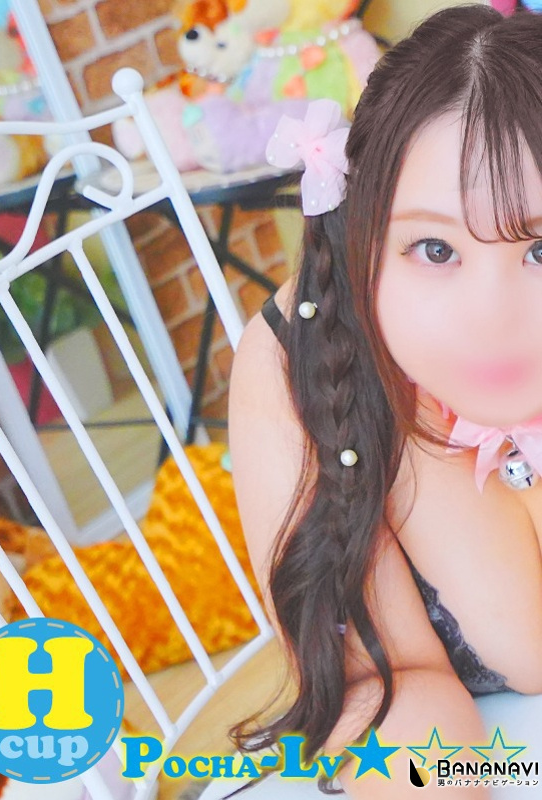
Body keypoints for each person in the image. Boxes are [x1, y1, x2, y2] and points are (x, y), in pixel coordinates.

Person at [216, 3, 542, 798]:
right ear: (363, 234)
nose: (490, 318)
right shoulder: (305, 359)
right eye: (434, 248)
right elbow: (386, 688)